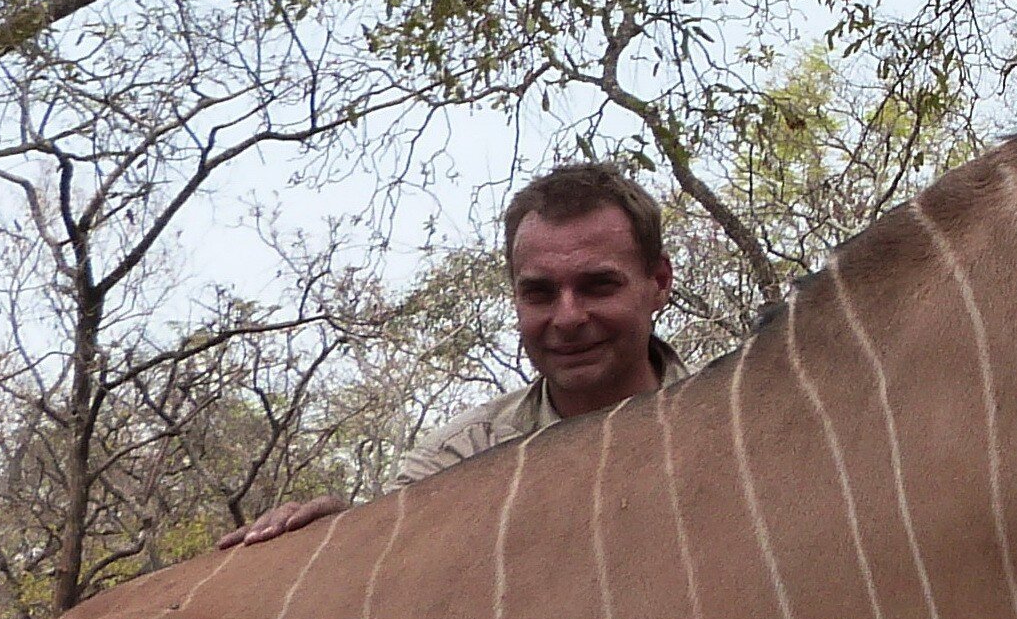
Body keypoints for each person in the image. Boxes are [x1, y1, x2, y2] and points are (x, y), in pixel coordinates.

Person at [217, 163, 680, 548]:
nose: (567, 317)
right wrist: (343, 531)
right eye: (539, 293)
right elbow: (394, 544)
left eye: (598, 286)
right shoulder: (460, 453)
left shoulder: (722, 424)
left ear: (658, 282)